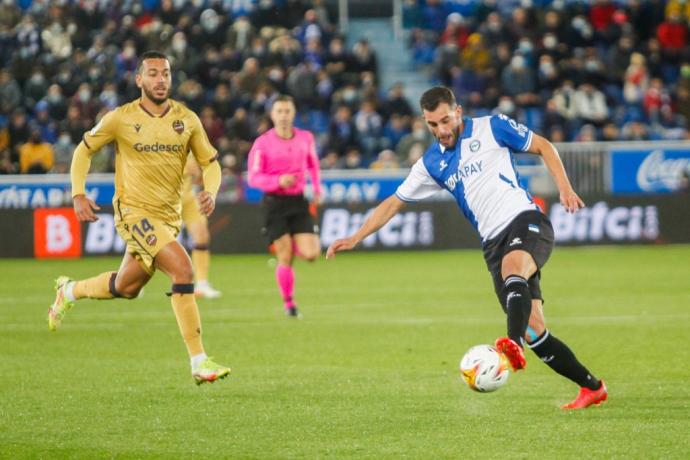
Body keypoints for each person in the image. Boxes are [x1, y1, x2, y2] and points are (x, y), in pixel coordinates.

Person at [327, 86, 607, 409]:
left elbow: (543, 146)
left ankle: (509, 347)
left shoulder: (492, 127)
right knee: (536, 331)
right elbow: (394, 202)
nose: (441, 130)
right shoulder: (431, 163)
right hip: (492, 244)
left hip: (525, 220)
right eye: (433, 125)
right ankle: (592, 387)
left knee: (512, 271)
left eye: (445, 120)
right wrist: (356, 236)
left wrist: (565, 188)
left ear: (458, 112)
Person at [47, 51, 230, 385]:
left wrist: (211, 191)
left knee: (125, 287)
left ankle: (69, 290)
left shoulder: (186, 119)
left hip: (168, 217)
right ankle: (199, 361)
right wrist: (78, 192)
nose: (160, 80)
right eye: (153, 73)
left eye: (166, 74)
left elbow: (211, 162)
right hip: (134, 212)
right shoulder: (120, 118)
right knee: (183, 269)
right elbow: (83, 150)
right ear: (139, 80)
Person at [247, 95, 322, 318]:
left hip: (298, 202)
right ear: (272, 115)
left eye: (287, 111)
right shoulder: (262, 143)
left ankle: (291, 243)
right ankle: (289, 303)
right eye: (279, 111)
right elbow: (253, 178)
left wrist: (317, 189)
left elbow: (313, 164)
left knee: (311, 254)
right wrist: (278, 181)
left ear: (294, 114)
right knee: (285, 255)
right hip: (274, 203)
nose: (283, 116)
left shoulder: (305, 138)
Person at [181, 154, 222, 299]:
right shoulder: (159, 139)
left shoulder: (189, 138)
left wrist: (198, 174)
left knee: (202, 236)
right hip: (164, 199)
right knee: (151, 243)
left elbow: (198, 174)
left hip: (187, 198)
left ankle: (202, 283)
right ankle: (135, 279)